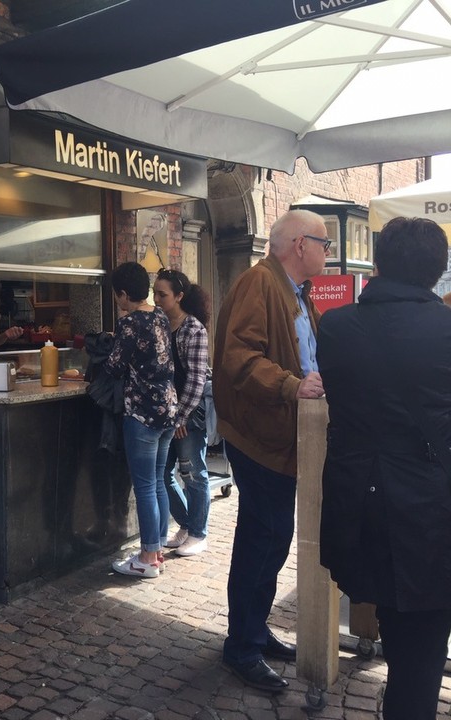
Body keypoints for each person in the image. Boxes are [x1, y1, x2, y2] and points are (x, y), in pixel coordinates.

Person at [318, 217, 451, 720]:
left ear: (377, 263)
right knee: (422, 641)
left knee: (399, 620)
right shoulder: (446, 330)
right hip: (429, 508)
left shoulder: (336, 326)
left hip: (362, 503)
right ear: (437, 271)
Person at [213, 208, 329, 692]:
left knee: (271, 536)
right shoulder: (259, 283)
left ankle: (253, 633)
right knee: (265, 536)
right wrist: (290, 386)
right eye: (324, 242)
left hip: (281, 436)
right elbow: (239, 357)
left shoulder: (294, 292)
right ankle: (240, 646)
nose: (328, 252)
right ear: (299, 244)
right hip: (258, 437)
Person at [107, 262, 178, 580]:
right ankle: (157, 549)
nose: (117, 301)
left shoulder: (131, 322)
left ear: (123, 294)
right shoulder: (160, 315)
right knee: (160, 480)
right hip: (167, 409)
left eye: (116, 296)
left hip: (142, 412)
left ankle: (148, 557)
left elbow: (114, 366)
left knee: (146, 485)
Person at [153, 268, 211, 557]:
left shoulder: (194, 329)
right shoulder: (160, 324)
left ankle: (199, 533)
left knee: (193, 473)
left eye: (162, 294)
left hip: (189, 414)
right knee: (162, 472)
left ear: (179, 296)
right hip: (168, 415)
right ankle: (187, 524)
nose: (157, 298)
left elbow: (196, 380)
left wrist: (181, 416)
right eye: (155, 293)